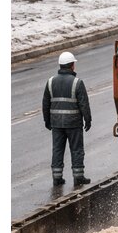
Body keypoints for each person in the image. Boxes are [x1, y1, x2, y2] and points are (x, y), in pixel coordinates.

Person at [42, 51, 92, 186]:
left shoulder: (50, 82)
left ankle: (57, 178)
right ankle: (78, 177)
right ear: (72, 66)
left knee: (57, 149)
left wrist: (47, 120)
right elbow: (84, 104)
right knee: (76, 149)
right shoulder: (77, 83)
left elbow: (45, 103)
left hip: (57, 123)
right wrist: (88, 120)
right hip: (73, 123)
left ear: (60, 65)